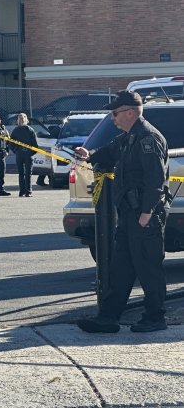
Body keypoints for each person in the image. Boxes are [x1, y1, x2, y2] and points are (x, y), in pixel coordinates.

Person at [74, 90, 170, 333]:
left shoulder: (148, 138)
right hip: (129, 214)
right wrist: (89, 155)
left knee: (149, 268)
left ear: (130, 112)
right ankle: (108, 317)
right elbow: (108, 152)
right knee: (121, 269)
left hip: (145, 215)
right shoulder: (128, 138)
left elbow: (154, 180)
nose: (112, 118)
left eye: (115, 114)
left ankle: (155, 317)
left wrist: (146, 214)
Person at [9, 113, 39, 197]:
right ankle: (27, 191)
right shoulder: (30, 130)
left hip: (21, 154)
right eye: (21, 119)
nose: (21, 120)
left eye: (22, 119)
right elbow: (35, 145)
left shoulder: (17, 130)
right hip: (26, 154)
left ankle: (22, 191)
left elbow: (11, 144)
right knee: (27, 173)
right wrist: (30, 153)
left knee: (22, 173)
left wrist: (16, 150)